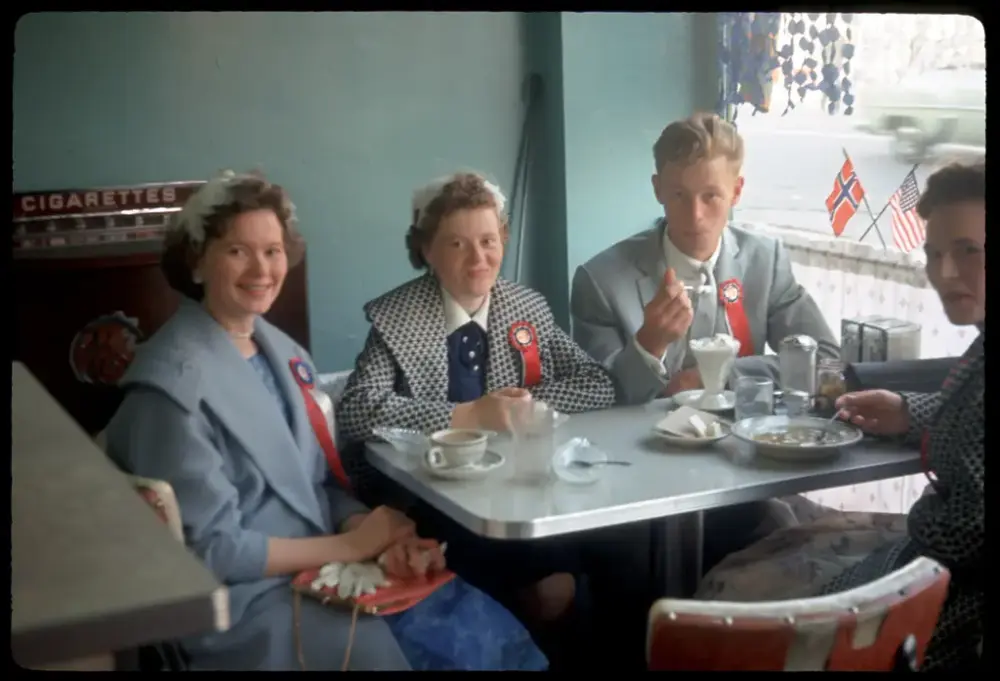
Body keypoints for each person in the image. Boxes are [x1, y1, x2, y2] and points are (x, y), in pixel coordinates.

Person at [103, 171, 547, 671]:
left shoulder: (285, 355)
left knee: (490, 631)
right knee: (424, 651)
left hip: (326, 569)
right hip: (249, 603)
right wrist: (353, 545)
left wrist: (380, 540)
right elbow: (213, 552)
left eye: (273, 250)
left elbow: (315, 487)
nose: (261, 269)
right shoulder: (170, 389)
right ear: (197, 260)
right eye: (238, 251)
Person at [336, 172, 640, 668]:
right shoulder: (396, 317)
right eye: (457, 244)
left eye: (488, 241)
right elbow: (356, 409)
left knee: (619, 554)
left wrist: (523, 407)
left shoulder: (525, 307)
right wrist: (468, 414)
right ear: (427, 251)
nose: (477, 258)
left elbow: (595, 383)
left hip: (522, 494)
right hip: (428, 503)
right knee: (549, 589)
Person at [695, 160, 984, 671]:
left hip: (953, 609)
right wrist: (908, 412)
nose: (944, 273)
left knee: (730, 597)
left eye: (968, 251)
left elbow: (968, 533)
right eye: (934, 253)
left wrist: (920, 517)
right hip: (934, 567)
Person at [569, 112, 839, 572]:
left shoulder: (765, 261)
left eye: (711, 196)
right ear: (657, 189)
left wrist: (718, 378)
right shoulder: (601, 280)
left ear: (737, 191)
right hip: (639, 484)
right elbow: (595, 402)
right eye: (679, 195)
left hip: (746, 468)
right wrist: (647, 347)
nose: (695, 216)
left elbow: (823, 359)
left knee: (790, 539)